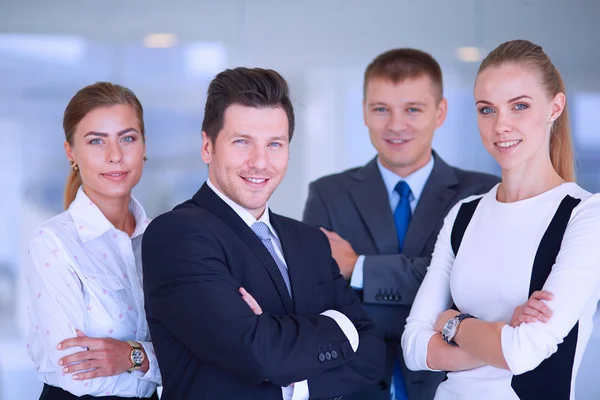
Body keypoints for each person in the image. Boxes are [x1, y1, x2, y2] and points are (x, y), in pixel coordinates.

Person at [141, 67, 386, 400]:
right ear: (208, 147)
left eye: (275, 144)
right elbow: (260, 353)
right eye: (242, 142)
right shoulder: (177, 235)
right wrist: (340, 326)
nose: (260, 162)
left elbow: (372, 355)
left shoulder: (309, 241)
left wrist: (291, 378)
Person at [401, 39, 600, 400]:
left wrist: (451, 322)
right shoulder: (464, 214)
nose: (500, 125)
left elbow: (522, 352)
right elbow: (414, 347)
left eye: (519, 106)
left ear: (554, 107)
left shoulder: (586, 216)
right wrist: (502, 332)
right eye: (487, 109)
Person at [302, 48, 499, 400]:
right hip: (352, 384)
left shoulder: (482, 194)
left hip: (449, 383)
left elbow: (472, 290)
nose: (395, 125)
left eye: (412, 109)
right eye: (381, 109)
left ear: (440, 112)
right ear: (364, 111)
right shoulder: (328, 193)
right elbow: (316, 298)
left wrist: (358, 269)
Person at [24, 82, 161, 399]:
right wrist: (155, 362)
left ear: (144, 147)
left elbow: (197, 355)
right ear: (71, 152)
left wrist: (128, 356)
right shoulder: (53, 243)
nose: (115, 156)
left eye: (127, 138)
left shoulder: (163, 241)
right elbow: (74, 373)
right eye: (96, 141)